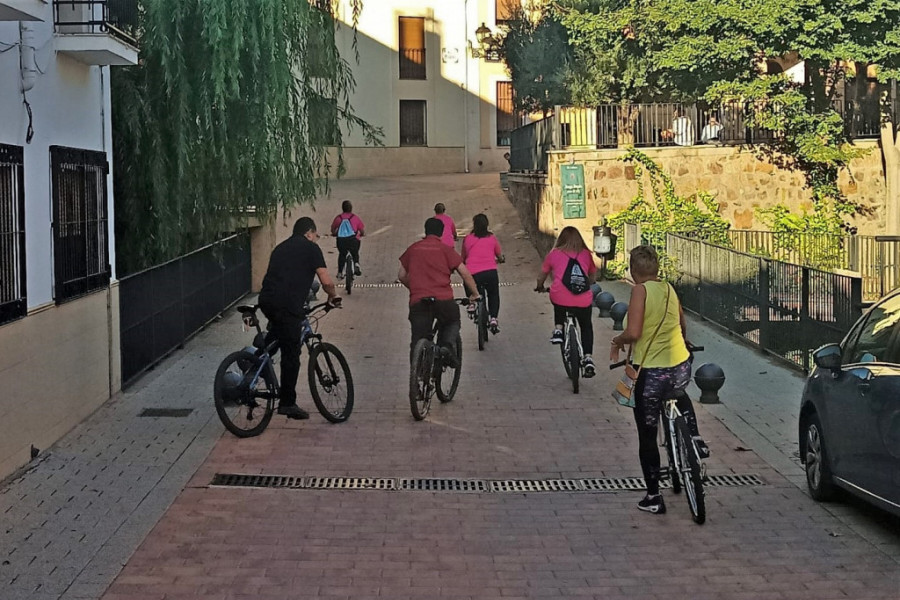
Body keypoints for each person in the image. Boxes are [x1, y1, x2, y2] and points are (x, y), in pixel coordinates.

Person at [610, 245, 709, 515]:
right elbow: (682, 323)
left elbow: (633, 331)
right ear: (656, 269)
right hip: (680, 365)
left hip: (651, 372)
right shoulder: (668, 289)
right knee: (679, 393)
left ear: (633, 270)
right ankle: (696, 438)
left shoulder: (639, 291)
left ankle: (654, 496)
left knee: (648, 435)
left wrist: (617, 340)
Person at [258, 217, 339, 420]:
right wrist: (333, 297)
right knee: (291, 354)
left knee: (279, 334)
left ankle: (253, 360)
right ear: (309, 233)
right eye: (316, 235)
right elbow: (326, 281)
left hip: (267, 301)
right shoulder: (311, 249)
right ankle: (287, 403)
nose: (316, 238)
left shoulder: (280, 248)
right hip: (288, 306)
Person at [399, 218, 480, 367]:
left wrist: (415, 289)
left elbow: (401, 276)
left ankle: (416, 378)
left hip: (419, 301)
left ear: (426, 230)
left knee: (417, 338)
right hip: (443, 300)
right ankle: (446, 346)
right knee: (452, 320)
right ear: (442, 232)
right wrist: (475, 294)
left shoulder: (413, 249)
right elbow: (465, 273)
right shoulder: (446, 250)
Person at [535, 226, 597, 378]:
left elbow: (541, 276)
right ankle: (588, 358)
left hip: (560, 297)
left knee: (558, 300)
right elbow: (593, 278)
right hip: (583, 299)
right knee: (586, 326)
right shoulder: (586, 254)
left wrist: (540, 287)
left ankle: (558, 329)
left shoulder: (554, 254)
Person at [461, 213, 504, 333]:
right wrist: (501, 259)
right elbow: (499, 255)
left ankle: (472, 302)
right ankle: (494, 318)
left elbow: (463, 258)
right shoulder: (492, 238)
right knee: (493, 294)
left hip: (473, 273)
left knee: (467, 281)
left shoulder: (467, 239)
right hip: (490, 272)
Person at [330, 200, 365, 279]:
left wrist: (334, 234)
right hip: (353, 240)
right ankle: (356, 263)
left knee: (342, 254)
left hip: (341, 241)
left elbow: (332, 230)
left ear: (342, 208)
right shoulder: (355, 217)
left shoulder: (338, 218)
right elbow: (362, 230)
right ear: (351, 208)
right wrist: (362, 234)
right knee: (355, 252)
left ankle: (340, 272)